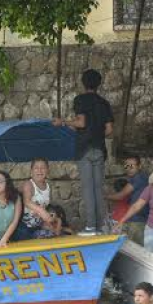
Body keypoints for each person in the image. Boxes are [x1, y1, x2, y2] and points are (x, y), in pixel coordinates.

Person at [53, 68, 114, 233]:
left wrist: (63, 122)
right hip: (99, 149)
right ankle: (102, 226)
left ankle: (90, 226)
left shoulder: (80, 100)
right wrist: (96, 131)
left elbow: (81, 123)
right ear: (98, 84)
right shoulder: (104, 103)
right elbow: (109, 130)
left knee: (88, 188)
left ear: (83, 83)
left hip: (84, 149)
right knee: (98, 189)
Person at [107, 156, 149, 245]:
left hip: (137, 220)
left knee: (136, 250)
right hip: (138, 219)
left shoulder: (138, 178)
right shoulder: (142, 177)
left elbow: (121, 196)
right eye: (126, 166)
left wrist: (103, 196)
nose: (129, 169)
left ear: (139, 166)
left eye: (132, 166)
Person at [16, 157, 53, 240]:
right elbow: (27, 201)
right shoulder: (28, 184)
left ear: (47, 170)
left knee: (52, 234)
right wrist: (42, 211)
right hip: (23, 227)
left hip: (38, 225)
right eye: (36, 168)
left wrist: (49, 218)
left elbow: (45, 205)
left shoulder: (48, 186)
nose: (39, 170)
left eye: (43, 168)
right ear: (31, 171)